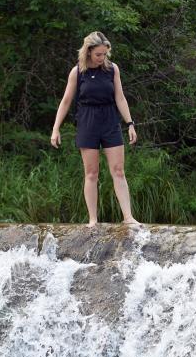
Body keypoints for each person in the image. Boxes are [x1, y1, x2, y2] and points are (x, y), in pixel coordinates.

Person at [51, 31, 139, 227]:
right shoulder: (77, 72)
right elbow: (66, 101)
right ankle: (93, 220)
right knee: (91, 173)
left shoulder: (112, 69)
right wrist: (56, 128)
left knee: (118, 170)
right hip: (87, 122)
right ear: (89, 52)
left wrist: (130, 123)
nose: (102, 58)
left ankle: (128, 217)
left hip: (110, 120)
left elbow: (120, 98)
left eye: (105, 54)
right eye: (99, 54)